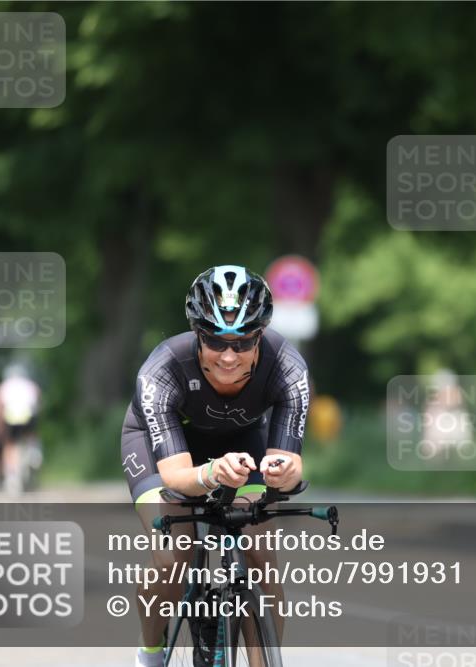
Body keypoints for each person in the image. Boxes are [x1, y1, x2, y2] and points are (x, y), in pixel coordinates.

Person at [120, 265, 309, 667]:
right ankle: (150, 652)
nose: (228, 355)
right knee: (174, 554)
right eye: (215, 342)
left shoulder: (288, 366)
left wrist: (284, 472)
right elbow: (174, 476)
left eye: (242, 344)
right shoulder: (163, 368)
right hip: (163, 448)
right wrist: (210, 474)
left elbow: (290, 460)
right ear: (197, 335)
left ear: (260, 336)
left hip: (241, 442)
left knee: (260, 552)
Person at [0, 363, 42, 494]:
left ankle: (12, 475)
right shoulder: (30, 384)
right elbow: (38, 399)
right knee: (30, 434)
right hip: (27, 412)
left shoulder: (4, 386)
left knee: (10, 444)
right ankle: (33, 452)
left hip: (11, 414)